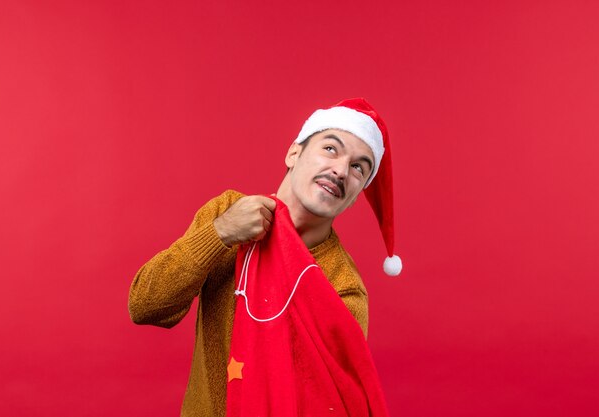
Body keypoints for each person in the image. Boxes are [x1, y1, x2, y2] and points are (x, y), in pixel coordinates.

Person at [128, 98, 402, 417]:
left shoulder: (344, 288)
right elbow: (145, 305)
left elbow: (324, 403)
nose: (341, 170)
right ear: (293, 153)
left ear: (357, 193)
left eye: (359, 167)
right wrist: (220, 233)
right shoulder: (225, 212)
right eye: (330, 148)